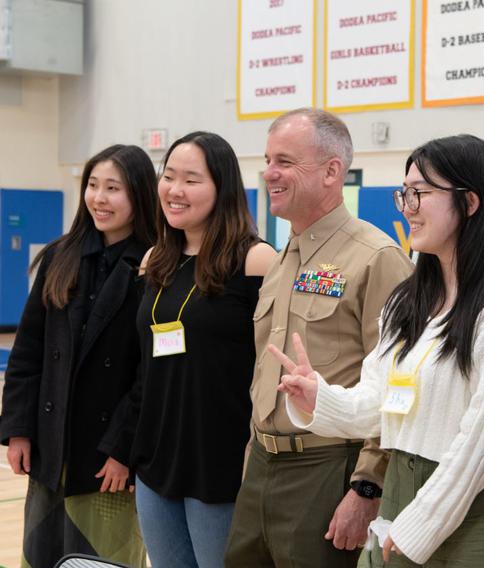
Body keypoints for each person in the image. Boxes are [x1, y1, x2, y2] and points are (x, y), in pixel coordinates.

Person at [273, 134, 484, 567]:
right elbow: (381, 404)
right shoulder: (410, 300)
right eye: (406, 194)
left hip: (480, 508)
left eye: (420, 193)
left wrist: (420, 521)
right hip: (404, 498)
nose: (408, 207)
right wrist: (319, 399)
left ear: (471, 202)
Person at [224, 108, 413, 568]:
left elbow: (398, 384)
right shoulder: (282, 258)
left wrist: (367, 486)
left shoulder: (377, 258)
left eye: (285, 162)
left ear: (332, 171)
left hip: (328, 470)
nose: (269, 172)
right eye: (268, 160)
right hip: (263, 467)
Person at [1, 144, 157, 568]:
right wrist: (17, 430)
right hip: (51, 450)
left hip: (108, 461)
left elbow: (151, 374)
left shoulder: (156, 266)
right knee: (41, 557)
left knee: (101, 560)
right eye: (92, 185)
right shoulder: (60, 256)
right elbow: (28, 352)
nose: (99, 198)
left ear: (140, 195)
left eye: (113, 188)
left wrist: (124, 449)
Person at [130, 131, 276, 568]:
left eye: (191, 179)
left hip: (221, 461)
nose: (175, 190)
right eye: (169, 176)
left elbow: (271, 367)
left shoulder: (256, 260)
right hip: (157, 458)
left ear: (222, 188)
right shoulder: (155, 258)